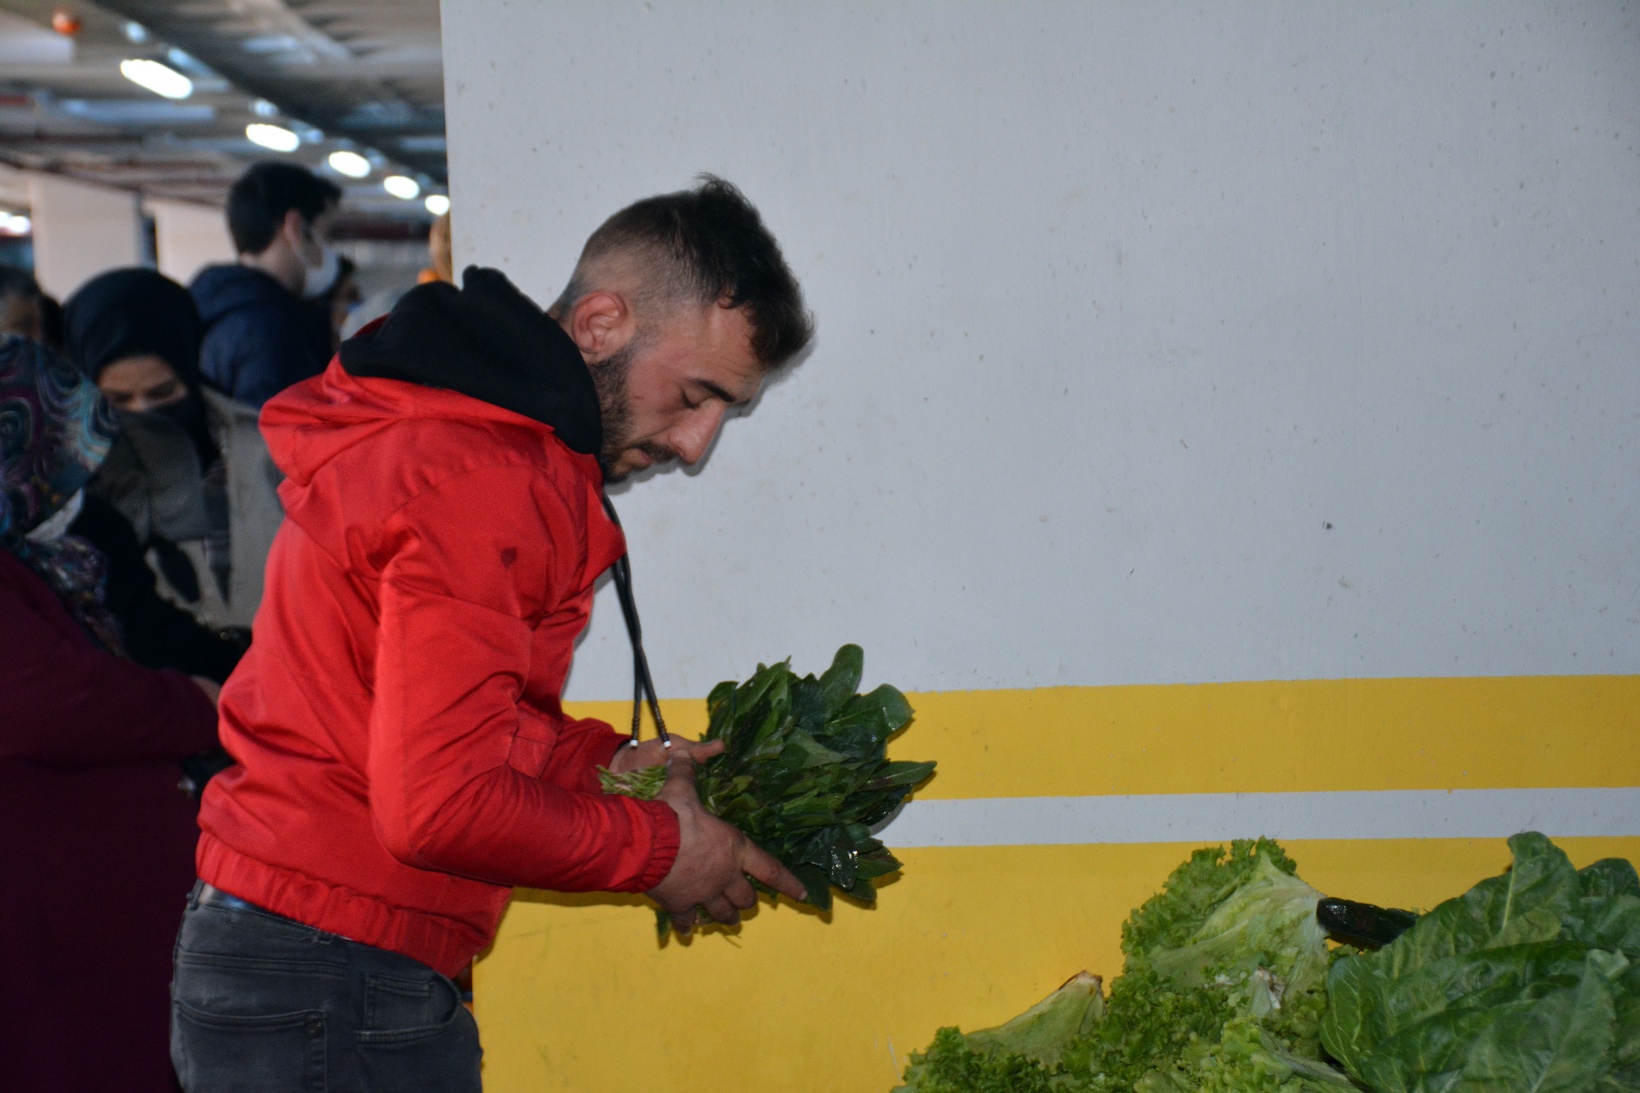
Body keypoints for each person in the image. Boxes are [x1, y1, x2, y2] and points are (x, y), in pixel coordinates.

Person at [170, 176, 815, 1090]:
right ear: (600, 325)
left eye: (724, 413)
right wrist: (663, 851)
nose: (695, 444)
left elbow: (436, 723)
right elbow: (439, 800)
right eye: (694, 395)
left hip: (303, 957)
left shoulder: (465, 439)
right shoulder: (483, 475)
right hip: (330, 971)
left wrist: (602, 767)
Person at [0, 335, 222, 1093]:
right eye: (63, 463)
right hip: (52, 953)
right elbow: (48, 700)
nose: (77, 487)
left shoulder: (45, 559)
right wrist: (190, 706)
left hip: (82, 945)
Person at [66, 267, 284, 631]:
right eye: (119, 400)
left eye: (163, 392)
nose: (143, 414)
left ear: (189, 366)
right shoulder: (71, 485)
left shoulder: (265, 446)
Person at [190, 161, 340, 407]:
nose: (329, 252)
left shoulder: (213, 304)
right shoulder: (270, 330)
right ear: (295, 228)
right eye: (327, 235)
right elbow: (280, 439)